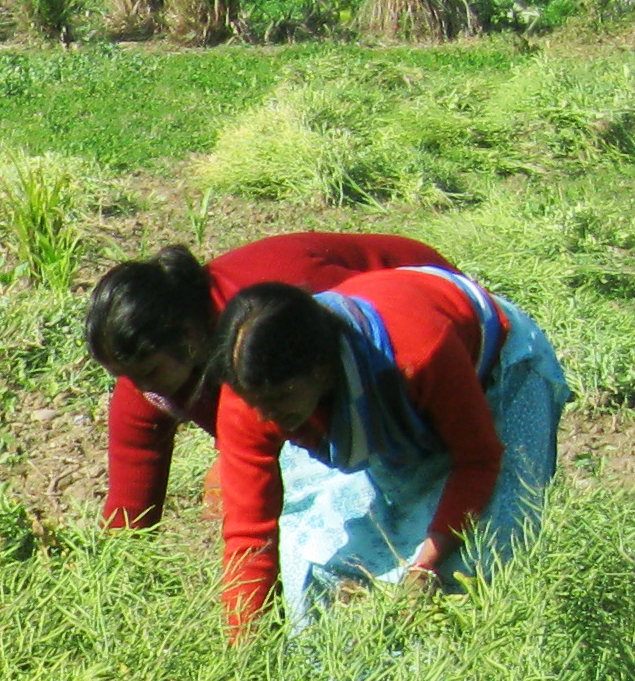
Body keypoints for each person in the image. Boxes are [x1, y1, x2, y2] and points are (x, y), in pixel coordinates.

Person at [212, 266, 568, 634]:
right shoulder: (250, 395)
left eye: (279, 399)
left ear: (321, 369)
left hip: (496, 372)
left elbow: (478, 460)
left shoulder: (419, 354)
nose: (266, 416)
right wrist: (244, 649)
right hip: (394, 398)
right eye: (256, 402)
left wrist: (425, 566)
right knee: (320, 562)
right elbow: (249, 534)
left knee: (480, 562)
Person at [84, 234, 450, 531]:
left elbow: (377, 346)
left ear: (188, 337)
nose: (138, 389)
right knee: (233, 488)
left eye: (147, 374)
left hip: (429, 322)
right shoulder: (147, 372)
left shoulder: (285, 310)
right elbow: (130, 507)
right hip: (322, 389)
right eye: (126, 377)